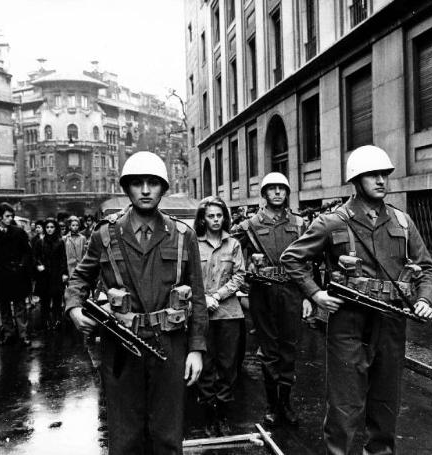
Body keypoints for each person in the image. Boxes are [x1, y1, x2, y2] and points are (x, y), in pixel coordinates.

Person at [281, 145, 432, 455]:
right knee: (344, 408)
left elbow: (428, 268)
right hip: (349, 324)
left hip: (391, 322)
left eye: (384, 175)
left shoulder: (402, 221)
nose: (381, 180)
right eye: (373, 175)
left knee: (385, 406)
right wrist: (316, 293)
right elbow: (292, 258)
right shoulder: (333, 221)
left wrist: (425, 299)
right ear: (356, 179)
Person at [66, 151, 207, 454]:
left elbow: (197, 295)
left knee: (167, 435)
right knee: (125, 436)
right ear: (127, 188)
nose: (145, 190)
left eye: (153, 183)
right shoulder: (105, 233)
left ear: (163, 188)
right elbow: (80, 278)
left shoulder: (183, 236)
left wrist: (196, 349)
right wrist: (75, 307)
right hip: (121, 344)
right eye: (137, 183)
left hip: (169, 343)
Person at [232, 172, 309, 425]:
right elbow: (230, 253)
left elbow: (309, 262)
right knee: (269, 350)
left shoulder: (299, 224)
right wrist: (244, 276)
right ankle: (272, 406)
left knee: (289, 348)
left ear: (287, 193)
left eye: (282, 189)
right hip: (262, 294)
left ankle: (286, 403)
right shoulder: (248, 225)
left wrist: (309, 296)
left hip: (291, 292)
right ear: (264, 194)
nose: (277, 193)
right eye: (272, 189)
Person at [194, 196, 245, 437]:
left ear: (225, 217)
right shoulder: (194, 243)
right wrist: (204, 298)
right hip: (202, 313)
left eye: (219, 215)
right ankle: (207, 416)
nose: (215, 220)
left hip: (228, 314)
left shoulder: (233, 244)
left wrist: (218, 296)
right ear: (203, 219)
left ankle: (223, 416)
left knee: (227, 366)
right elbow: (189, 276)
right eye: (211, 216)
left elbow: (239, 276)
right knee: (206, 365)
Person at [0, 202, 33, 346]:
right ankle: (9, 333)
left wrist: (22, 266)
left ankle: (23, 334)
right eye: (7, 216)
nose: (10, 218)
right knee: (4, 306)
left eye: (12, 216)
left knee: (20, 306)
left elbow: (27, 252)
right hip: (0, 276)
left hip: (17, 275)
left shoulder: (18, 231)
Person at [33, 218, 68, 331]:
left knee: (57, 299)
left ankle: (57, 319)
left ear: (55, 228)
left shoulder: (60, 241)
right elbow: (35, 256)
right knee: (45, 300)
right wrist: (38, 265)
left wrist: (64, 273)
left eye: (52, 227)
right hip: (44, 275)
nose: (49, 229)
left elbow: (63, 258)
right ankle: (46, 320)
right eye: (47, 227)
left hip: (56, 274)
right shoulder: (40, 242)